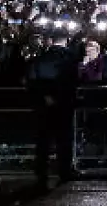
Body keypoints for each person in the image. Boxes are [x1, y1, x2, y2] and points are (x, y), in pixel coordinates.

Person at [26, 30, 79, 186]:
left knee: (43, 140)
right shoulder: (69, 59)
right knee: (64, 139)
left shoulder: (40, 58)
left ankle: (41, 171)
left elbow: (31, 81)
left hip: (43, 106)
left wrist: (44, 96)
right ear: (65, 40)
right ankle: (64, 171)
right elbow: (72, 81)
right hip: (64, 105)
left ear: (51, 40)